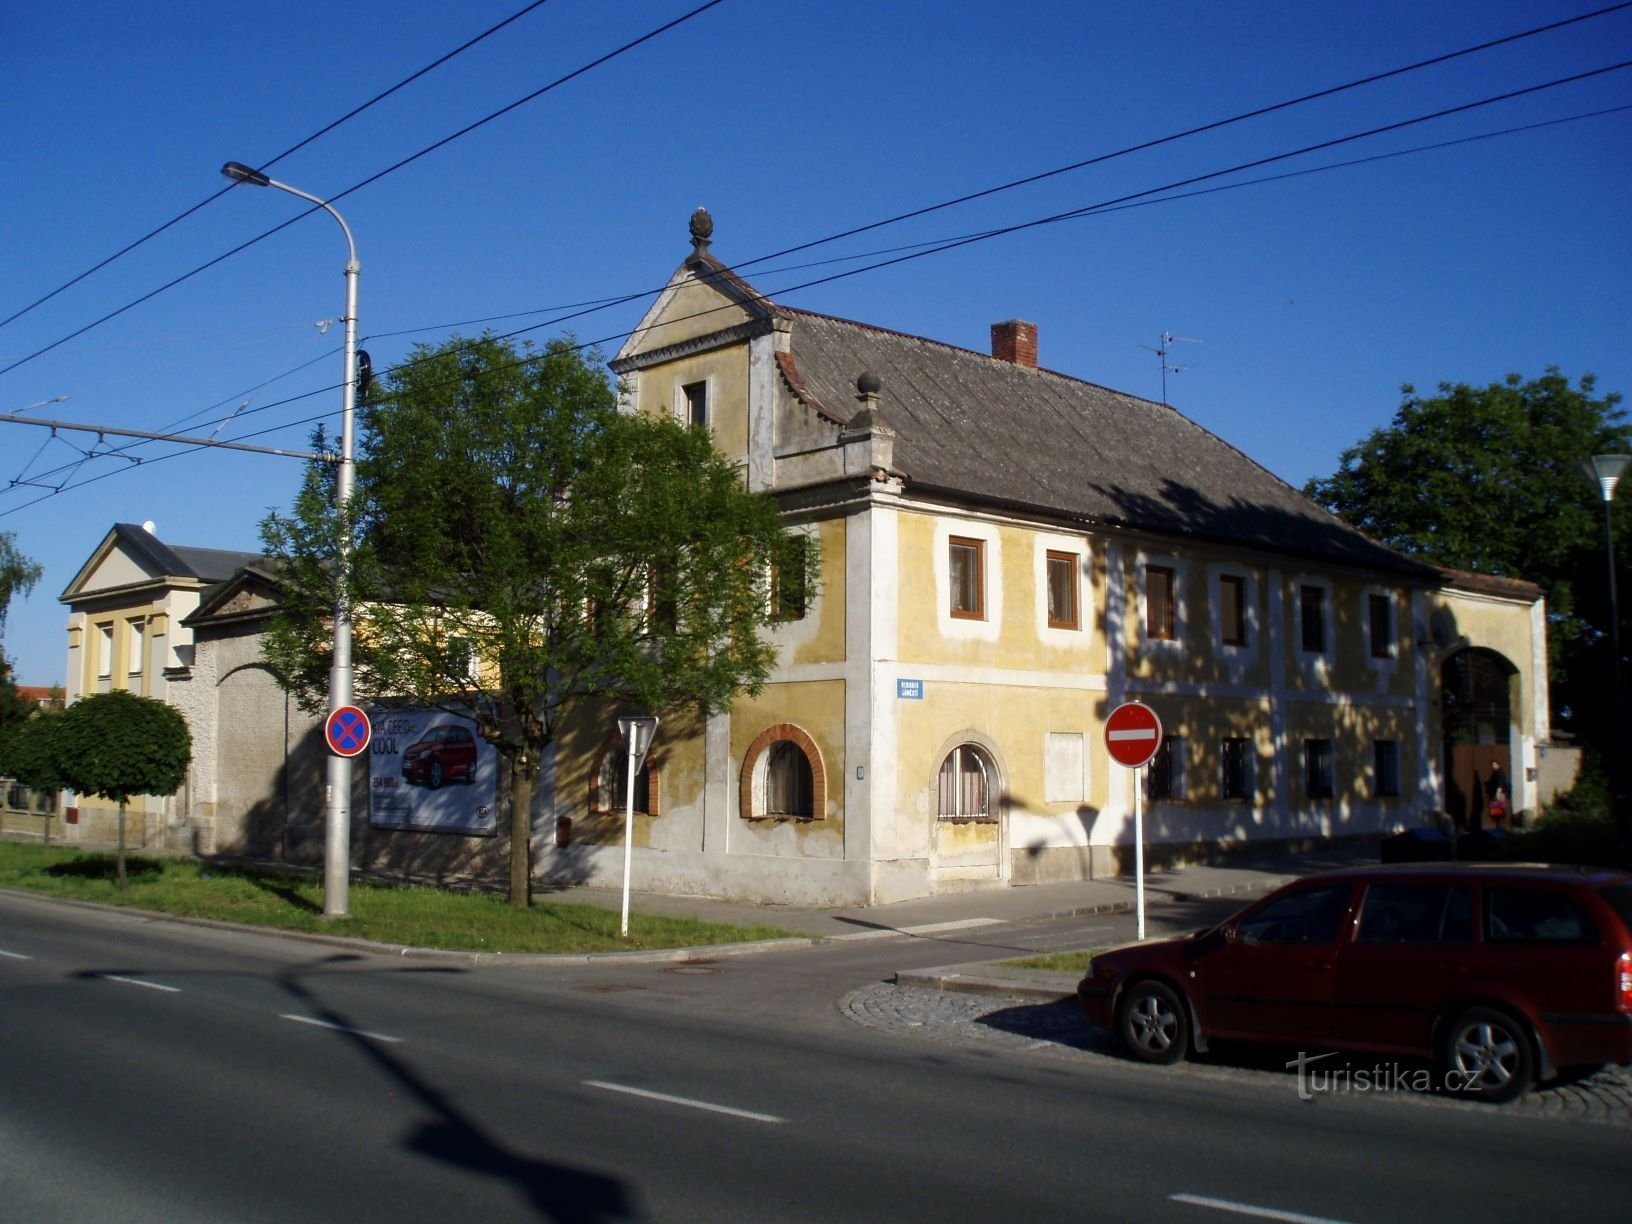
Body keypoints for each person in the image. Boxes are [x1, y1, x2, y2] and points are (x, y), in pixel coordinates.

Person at [1486, 761, 1511, 828]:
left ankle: (1499, 823)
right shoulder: (1495, 773)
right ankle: (1498, 823)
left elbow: (1500, 783)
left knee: (1498, 807)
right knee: (1496, 808)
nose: (1493, 766)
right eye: (1492, 765)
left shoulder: (1499, 773)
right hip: (1496, 793)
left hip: (1499, 793)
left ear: (1498, 765)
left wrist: (1498, 791)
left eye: (1495, 765)